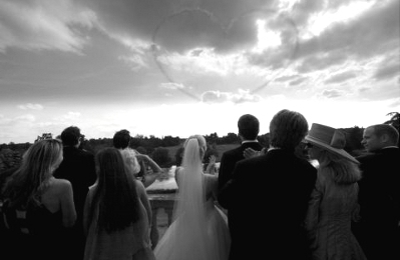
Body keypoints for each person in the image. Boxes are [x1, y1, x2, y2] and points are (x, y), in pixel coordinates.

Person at [218, 109, 317, 260]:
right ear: (301, 137)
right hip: (290, 249)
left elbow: (224, 199)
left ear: (272, 131)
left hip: (251, 249)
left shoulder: (247, 167)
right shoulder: (308, 170)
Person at [154, 135, 231, 260]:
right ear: (203, 151)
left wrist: (208, 169)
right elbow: (219, 200)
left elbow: (193, 186)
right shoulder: (211, 180)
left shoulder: (178, 172)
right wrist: (211, 169)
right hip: (210, 221)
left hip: (187, 219)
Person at [1, 139, 76, 260]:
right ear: (55, 158)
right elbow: (69, 223)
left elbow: (6, 221)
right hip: (47, 250)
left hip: (14, 249)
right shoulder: (63, 186)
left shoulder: (11, 182)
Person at [304, 123, 367, 260]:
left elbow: (311, 221)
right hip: (348, 240)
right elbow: (354, 213)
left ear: (322, 150)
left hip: (323, 244)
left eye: (309, 145)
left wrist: (309, 243)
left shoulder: (318, 176)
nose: (306, 147)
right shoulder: (352, 176)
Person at [83, 147, 155, 260]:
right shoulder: (136, 186)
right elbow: (148, 216)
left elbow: (87, 223)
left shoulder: (94, 192)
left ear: (99, 167)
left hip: (104, 248)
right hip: (133, 246)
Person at [352, 124, 400, 260]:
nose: (362, 141)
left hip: (371, 229)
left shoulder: (363, 163)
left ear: (384, 138)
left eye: (367, 137)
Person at [53, 126, 96, 260]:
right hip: (81, 198)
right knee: (80, 235)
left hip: (57, 199)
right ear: (78, 139)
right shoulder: (88, 156)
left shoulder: (55, 156)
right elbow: (92, 179)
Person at [218, 114, 263, 191]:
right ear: (258, 131)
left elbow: (222, 191)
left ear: (239, 133)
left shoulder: (229, 156)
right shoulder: (269, 154)